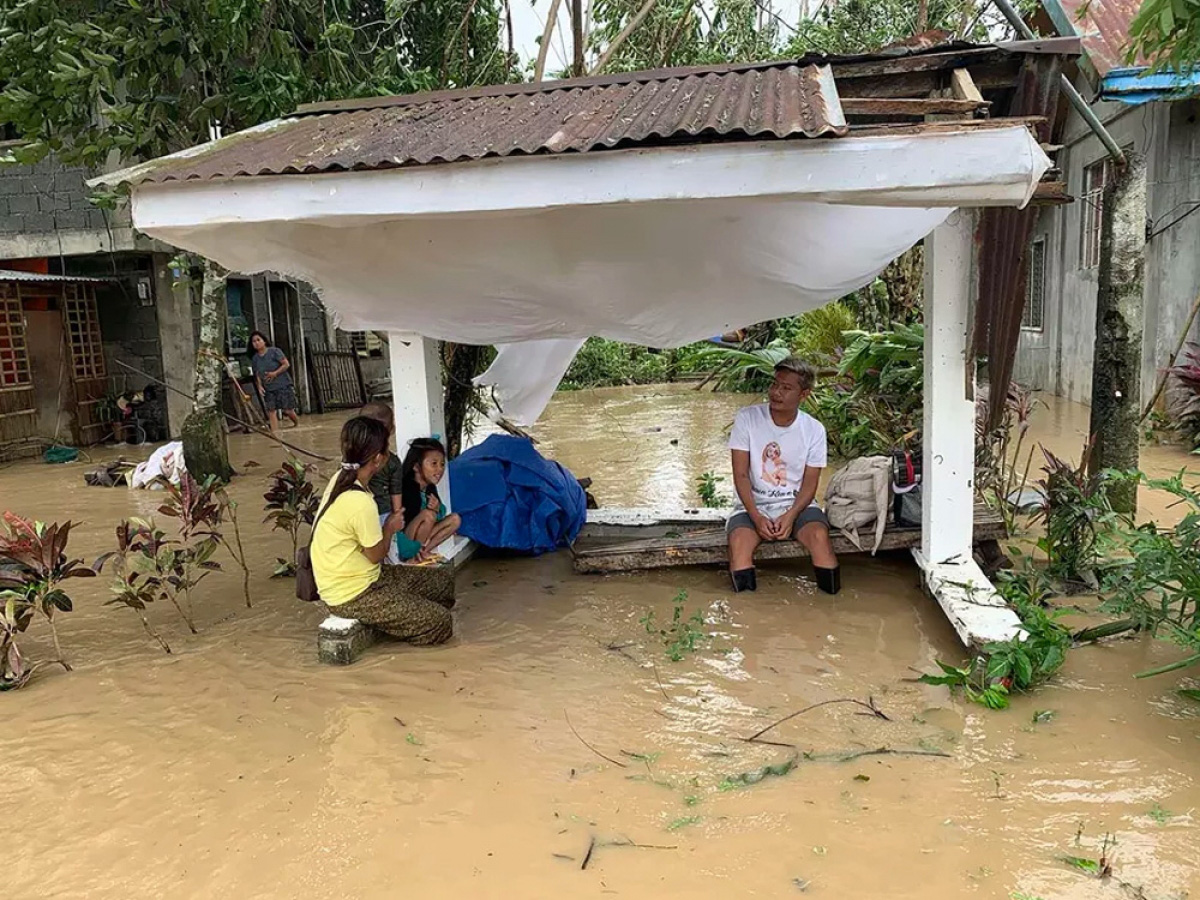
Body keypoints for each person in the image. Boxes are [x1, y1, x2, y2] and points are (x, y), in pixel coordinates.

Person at [311, 416, 454, 644]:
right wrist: (389, 528)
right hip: (353, 594)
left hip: (367, 578)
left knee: (443, 582)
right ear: (378, 459)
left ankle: (402, 617)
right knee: (441, 622)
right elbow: (376, 556)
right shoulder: (360, 502)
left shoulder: (340, 478)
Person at [726, 357, 840, 595]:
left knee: (820, 537)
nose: (776, 392)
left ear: (804, 394)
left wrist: (790, 516)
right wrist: (757, 518)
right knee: (739, 543)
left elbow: (810, 484)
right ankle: (748, 614)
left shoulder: (814, 429)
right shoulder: (747, 419)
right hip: (752, 506)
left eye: (786, 388)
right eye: (775, 384)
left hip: (797, 505)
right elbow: (741, 475)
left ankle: (831, 606)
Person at [396, 437, 462, 562]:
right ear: (416, 466)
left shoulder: (429, 486)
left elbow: (440, 514)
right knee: (428, 515)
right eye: (434, 464)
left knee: (455, 519)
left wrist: (437, 509)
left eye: (442, 464)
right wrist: (431, 513)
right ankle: (413, 555)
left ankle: (424, 551)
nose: (440, 469)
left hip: (420, 537)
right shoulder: (407, 488)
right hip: (403, 542)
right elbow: (404, 526)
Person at [359, 401, 404, 521]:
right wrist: (397, 515)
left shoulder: (351, 456)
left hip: (358, 513)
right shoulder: (393, 462)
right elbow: (396, 492)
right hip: (384, 513)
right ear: (392, 429)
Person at [249, 331, 299, 435]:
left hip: (283, 385)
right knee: (271, 411)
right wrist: (259, 386)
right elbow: (257, 374)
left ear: (264, 341)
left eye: (258, 340)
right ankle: (275, 434)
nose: (256, 343)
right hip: (268, 388)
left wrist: (275, 373)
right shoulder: (255, 359)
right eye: (254, 341)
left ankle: (296, 424)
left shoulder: (275, 351)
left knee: (288, 410)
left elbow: (286, 364)